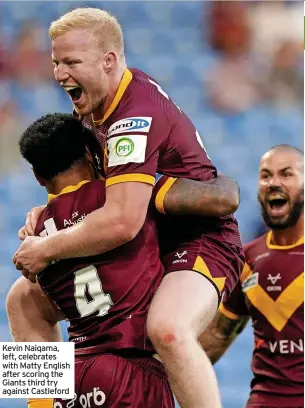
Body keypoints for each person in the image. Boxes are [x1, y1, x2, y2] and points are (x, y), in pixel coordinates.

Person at [13, 8, 244, 408]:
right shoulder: (93, 106)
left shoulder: (133, 113)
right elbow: (97, 192)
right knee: (21, 298)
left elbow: (121, 220)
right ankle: (42, 403)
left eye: (71, 62)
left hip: (198, 239)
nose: (59, 74)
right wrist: (47, 212)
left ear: (109, 61)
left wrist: (46, 247)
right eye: (55, 62)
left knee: (167, 329)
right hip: (145, 239)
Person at [8, 112, 176, 408]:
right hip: (129, 368)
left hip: (73, 376)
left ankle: (38, 403)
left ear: (38, 177)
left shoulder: (35, 231)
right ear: (90, 153)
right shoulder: (124, 200)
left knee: (17, 297)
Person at [199, 144, 304, 408]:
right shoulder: (246, 260)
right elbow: (216, 339)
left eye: (287, 174)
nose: (274, 182)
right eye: (266, 175)